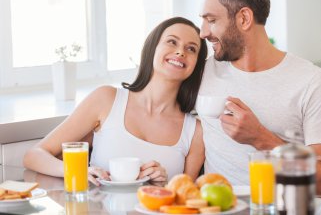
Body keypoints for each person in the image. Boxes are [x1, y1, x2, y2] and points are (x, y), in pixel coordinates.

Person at [195, 0, 321, 196]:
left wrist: (261, 139)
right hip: (219, 209)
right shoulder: (201, 72)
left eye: (211, 20)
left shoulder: (312, 82)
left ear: (244, 18)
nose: (203, 32)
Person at [24, 17, 208, 185]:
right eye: (172, 41)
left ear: (196, 64)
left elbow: (185, 199)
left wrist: (164, 185)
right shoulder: (106, 99)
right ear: (153, 48)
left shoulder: (195, 132)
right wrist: (78, 171)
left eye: (191, 49)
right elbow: (34, 155)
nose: (180, 52)